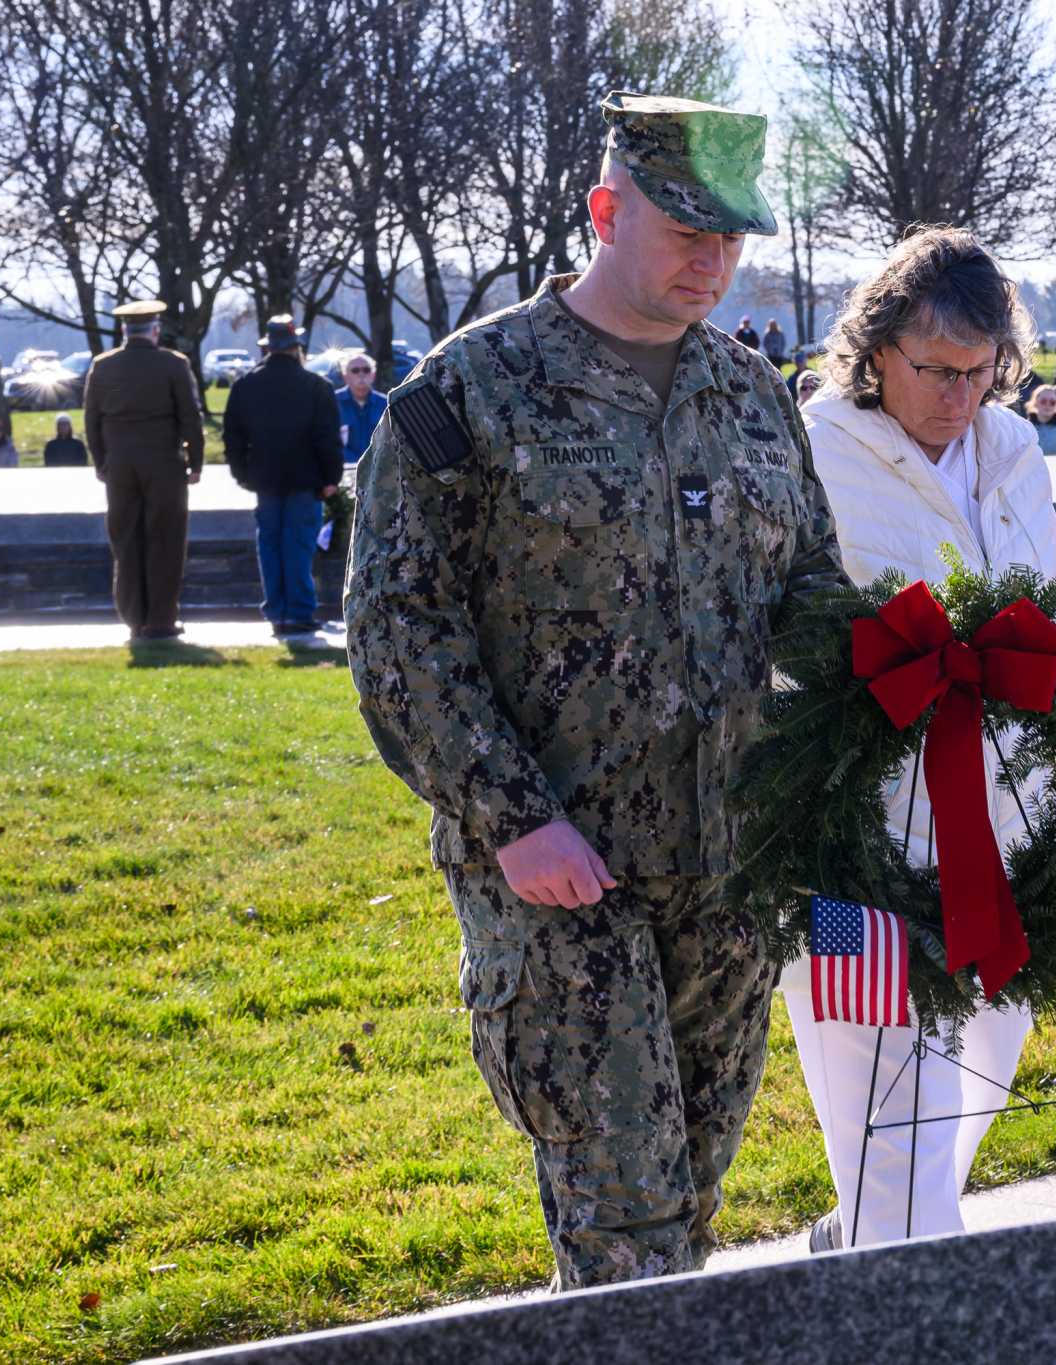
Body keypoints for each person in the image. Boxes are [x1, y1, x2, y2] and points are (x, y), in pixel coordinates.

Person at [345, 90, 849, 1294]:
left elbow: (812, 593)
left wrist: (938, 660)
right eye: (685, 233)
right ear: (604, 211)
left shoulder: (749, 394)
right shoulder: (472, 392)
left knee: (688, 1206)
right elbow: (398, 628)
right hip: (565, 879)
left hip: (726, 869)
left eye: (729, 239)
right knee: (624, 1225)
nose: (711, 262)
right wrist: (513, 817)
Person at [787, 226, 1056, 1251]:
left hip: (1006, 825)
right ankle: (911, 1289)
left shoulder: (1015, 447)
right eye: (933, 369)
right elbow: (783, 638)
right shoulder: (810, 451)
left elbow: (1045, 601)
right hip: (858, 835)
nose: (957, 393)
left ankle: (862, 1238)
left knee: (987, 1051)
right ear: (875, 349)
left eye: (979, 370)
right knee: (885, 1099)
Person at [84, 300, 205, 640]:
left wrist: (101, 462)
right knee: (164, 539)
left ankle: (134, 616)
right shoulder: (173, 364)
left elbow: (91, 419)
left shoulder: (102, 366)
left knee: (126, 540)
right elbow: (190, 418)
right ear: (154, 330)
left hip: (120, 465)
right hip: (164, 463)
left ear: (124, 331)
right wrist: (195, 462)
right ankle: (161, 620)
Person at [225, 315, 344, 636]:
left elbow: (233, 438)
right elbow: (327, 438)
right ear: (297, 348)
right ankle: (299, 612)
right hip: (307, 480)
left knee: (270, 547)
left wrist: (242, 475)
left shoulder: (245, 385)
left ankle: (277, 611)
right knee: (299, 547)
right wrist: (331, 478)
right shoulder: (317, 386)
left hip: (264, 479)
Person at [336, 352, 388, 466]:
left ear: (373, 375)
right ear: (345, 376)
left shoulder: (386, 404)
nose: (361, 374)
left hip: (379, 469)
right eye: (355, 370)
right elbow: (328, 442)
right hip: (344, 470)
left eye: (366, 370)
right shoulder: (333, 403)